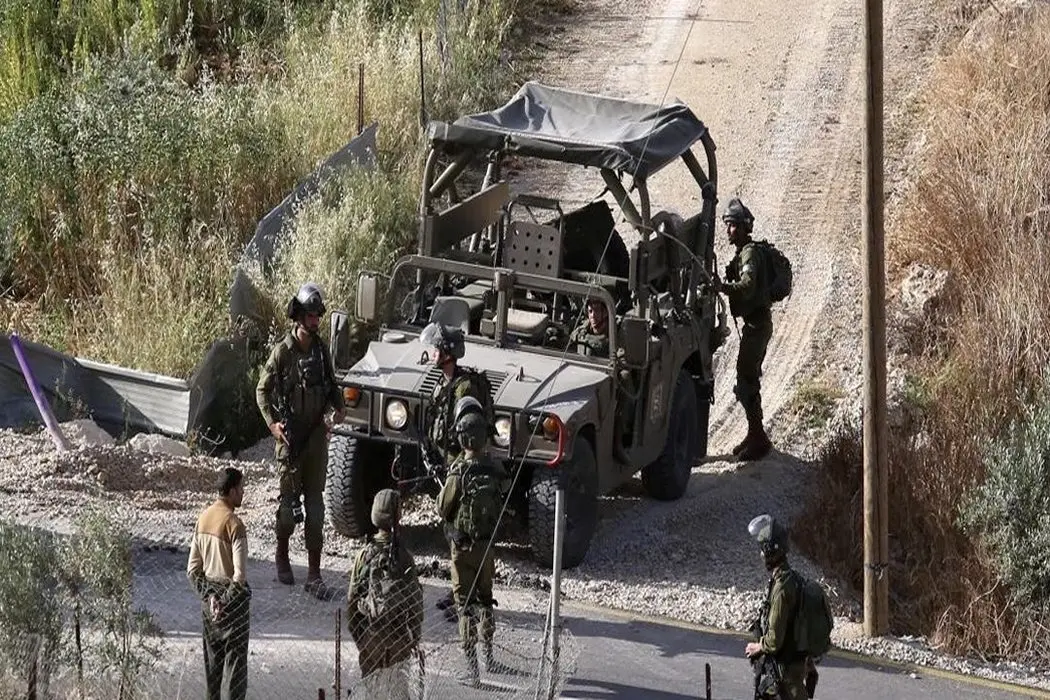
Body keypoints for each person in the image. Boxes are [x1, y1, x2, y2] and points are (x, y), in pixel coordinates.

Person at [255, 281, 345, 599]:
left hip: (317, 440)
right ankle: (281, 553)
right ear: (299, 317)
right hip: (291, 440)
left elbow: (332, 386)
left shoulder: (321, 351)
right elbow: (262, 390)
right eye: (310, 315)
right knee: (288, 510)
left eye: (318, 316)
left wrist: (339, 408)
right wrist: (272, 425)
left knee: (316, 511)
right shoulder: (283, 352)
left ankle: (314, 574)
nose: (315, 321)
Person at [419, 321, 494, 617]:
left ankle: (467, 597)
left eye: (436, 348)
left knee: (462, 531)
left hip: (462, 466)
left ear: (448, 352)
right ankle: (459, 591)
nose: (432, 352)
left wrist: (458, 467)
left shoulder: (465, 387)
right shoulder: (444, 383)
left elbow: (470, 432)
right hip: (448, 462)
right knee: (452, 530)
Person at [436, 396, 512, 687]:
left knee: (464, 604)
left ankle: (473, 668)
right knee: (486, 599)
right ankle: (490, 657)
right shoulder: (495, 469)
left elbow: (443, 508)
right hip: (487, 546)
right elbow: (504, 496)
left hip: (462, 548)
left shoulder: (459, 472)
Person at [346, 489, 425, 699]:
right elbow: (415, 603)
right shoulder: (405, 558)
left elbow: (352, 601)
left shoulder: (364, 556)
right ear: (398, 517)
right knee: (398, 690)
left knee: (371, 690)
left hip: (372, 635)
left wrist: (360, 638)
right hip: (398, 638)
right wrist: (414, 638)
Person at [187, 467, 251, 700]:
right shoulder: (235, 524)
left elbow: (192, 570)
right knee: (235, 671)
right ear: (232, 491)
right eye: (241, 488)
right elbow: (239, 576)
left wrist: (211, 598)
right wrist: (224, 601)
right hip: (233, 604)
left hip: (209, 602)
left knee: (212, 669)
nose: (243, 493)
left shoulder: (203, 518)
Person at [719, 198, 774, 461]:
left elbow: (748, 285)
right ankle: (754, 434)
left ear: (743, 228)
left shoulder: (749, 253)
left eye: (733, 226)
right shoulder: (744, 252)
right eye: (728, 225)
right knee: (746, 379)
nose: (729, 230)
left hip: (757, 325)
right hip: (755, 325)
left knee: (746, 381)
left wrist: (723, 288)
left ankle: (758, 438)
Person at [745, 513, 810, 700]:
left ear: (770, 552)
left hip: (785, 673)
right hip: (794, 668)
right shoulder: (792, 578)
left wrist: (758, 647)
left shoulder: (781, 588)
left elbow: (774, 641)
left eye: (762, 549)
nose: (760, 554)